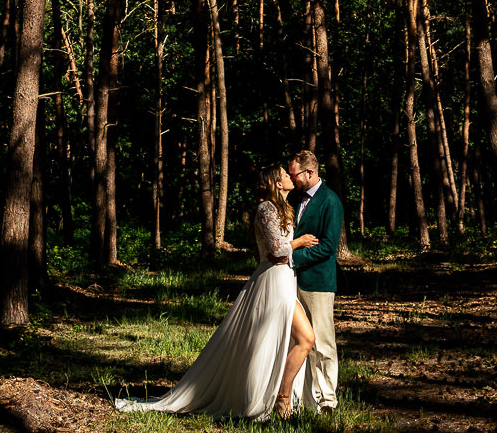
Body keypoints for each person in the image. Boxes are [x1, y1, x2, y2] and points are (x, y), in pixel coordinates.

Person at [114, 165, 316, 420]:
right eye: (285, 175)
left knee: (299, 339)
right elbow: (276, 250)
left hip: (285, 279)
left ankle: (281, 395)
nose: (289, 177)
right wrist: (299, 242)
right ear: (277, 183)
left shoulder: (283, 209)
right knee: (300, 339)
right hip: (274, 282)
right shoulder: (266, 208)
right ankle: (280, 399)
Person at [287, 149, 343, 414]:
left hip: (319, 282)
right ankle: (307, 397)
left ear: (309, 173)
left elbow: (329, 247)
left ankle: (328, 400)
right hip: (294, 282)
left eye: (294, 174)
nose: (291, 178)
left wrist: (294, 257)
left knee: (323, 342)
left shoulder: (330, 201)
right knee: (302, 340)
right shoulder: (295, 197)